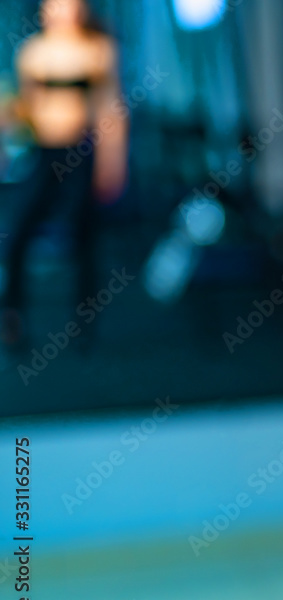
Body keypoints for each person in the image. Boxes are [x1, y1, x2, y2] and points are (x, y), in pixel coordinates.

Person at [1, 0, 127, 347]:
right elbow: (23, 109)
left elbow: (110, 111)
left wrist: (111, 162)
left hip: (82, 152)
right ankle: (13, 318)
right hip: (44, 153)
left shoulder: (97, 50)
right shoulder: (33, 52)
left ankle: (85, 325)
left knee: (84, 238)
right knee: (17, 232)